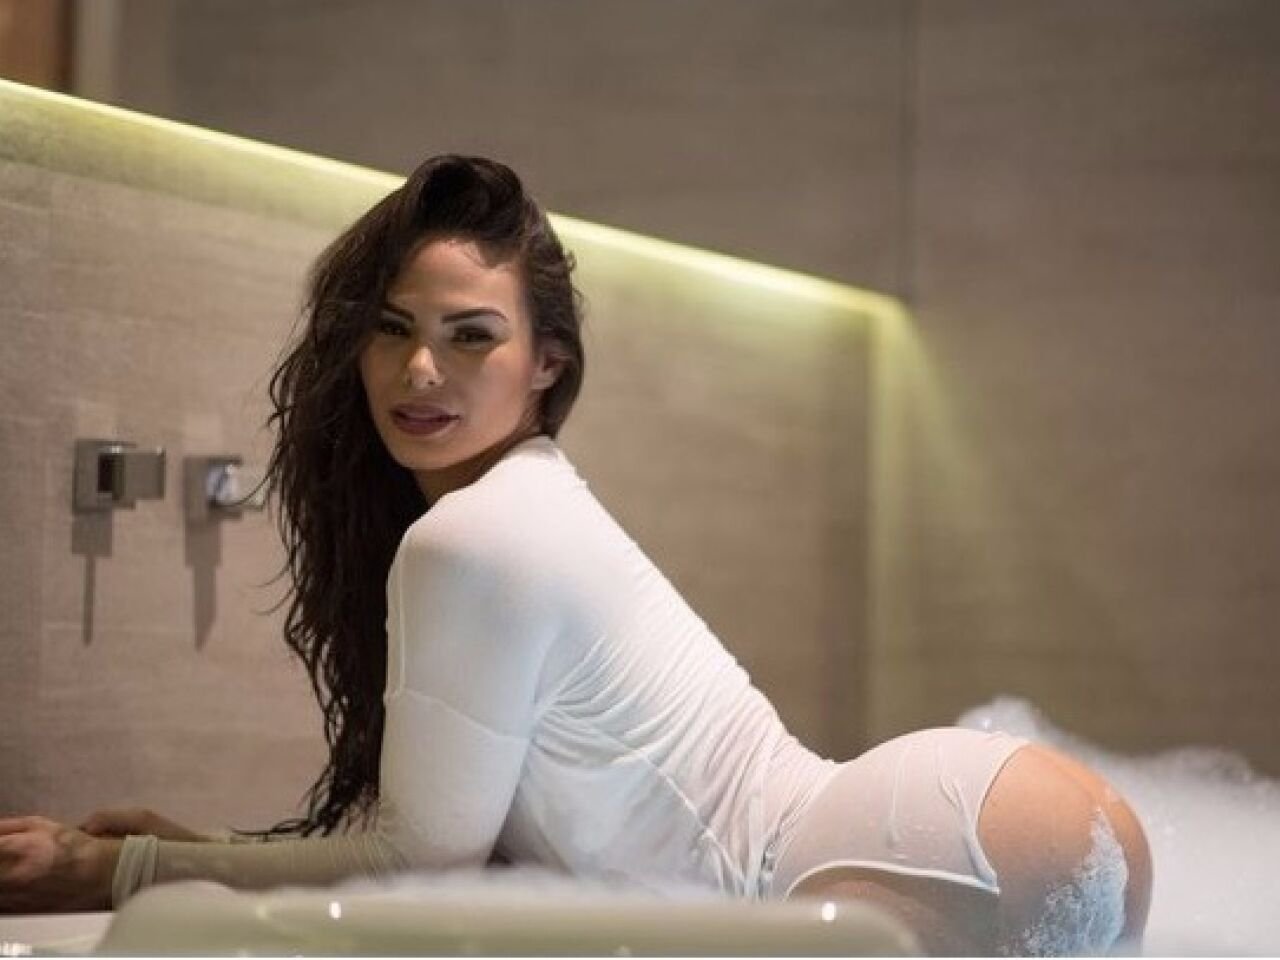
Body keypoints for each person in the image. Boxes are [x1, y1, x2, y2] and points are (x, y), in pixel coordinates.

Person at [0, 155, 1151, 954]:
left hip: (879, 864)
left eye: (470, 337)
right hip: (976, 822)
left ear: (544, 362)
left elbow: (420, 863)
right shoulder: (534, 499)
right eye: (392, 329)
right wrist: (193, 851)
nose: (419, 372)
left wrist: (111, 873)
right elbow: (465, 846)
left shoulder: (471, 536)